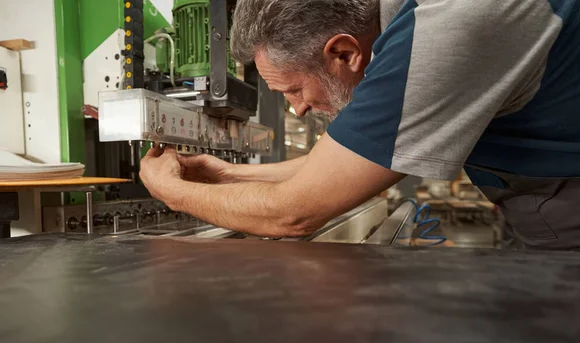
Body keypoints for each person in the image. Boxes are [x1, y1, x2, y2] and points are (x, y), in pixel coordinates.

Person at [140, 0, 580, 250]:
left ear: (345, 53)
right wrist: (228, 173)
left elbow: (296, 213)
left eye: (293, 90)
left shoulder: (440, 28)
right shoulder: (415, 17)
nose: (297, 110)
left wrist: (171, 191)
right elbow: (333, 164)